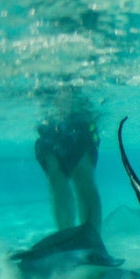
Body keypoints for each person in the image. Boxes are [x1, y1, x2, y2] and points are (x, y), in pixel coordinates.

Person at [33, 91, 102, 233]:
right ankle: (65, 236)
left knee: (82, 175)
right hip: (51, 127)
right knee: (56, 179)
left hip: (79, 123)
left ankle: (91, 236)